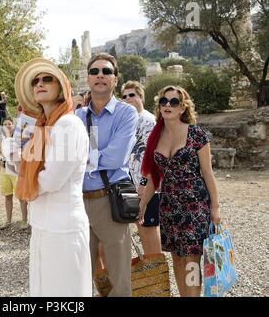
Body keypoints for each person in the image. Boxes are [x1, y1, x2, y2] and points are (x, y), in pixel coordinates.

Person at [15, 58, 91, 296]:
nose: (40, 83)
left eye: (47, 79)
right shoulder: (41, 128)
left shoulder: (69, 124)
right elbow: (18, 166)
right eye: (35, 81)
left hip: (63, 226)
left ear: (61, 88)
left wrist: (25, 172)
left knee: (65, 291)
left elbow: (52, 180)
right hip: (42, 223)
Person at [139, 85, 221, 297]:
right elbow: (153, 179)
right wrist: (142, 204)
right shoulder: (155, 136)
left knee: (191, 259)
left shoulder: (196, 135)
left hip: (195, 203)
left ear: (183, 107)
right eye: (163, 101)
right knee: (176, 257)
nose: (167, 105)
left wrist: (216, 208)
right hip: (169, 206)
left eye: (173, 102)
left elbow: (207, 173)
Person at [75, 53, 138, 297]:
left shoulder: (126, 113)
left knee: (120, 280)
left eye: (106, 71)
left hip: (109, 199)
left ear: (115, 79)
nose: (100, 75)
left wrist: (83, 157)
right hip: (78, 201)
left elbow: (116, 158)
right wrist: (92, 156)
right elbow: (65, 156)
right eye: (94, 71)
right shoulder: (76, 117)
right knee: (79, 275)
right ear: (88, 79)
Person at [122, 81, 162, 254]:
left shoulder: (148, 122)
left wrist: (144, 184)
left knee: (149, 227)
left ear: (141, 98)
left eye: (132, 95)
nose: (128, 99)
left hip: (146, 184)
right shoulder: (128, 122)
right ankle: (151, 270)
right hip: (132, 184)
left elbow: (151, 158)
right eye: (124, 96)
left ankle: (157, 271)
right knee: (141, 226)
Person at [0, 117, 28, 230]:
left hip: (16, 169)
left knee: (21, 196)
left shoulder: (18, 138)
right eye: (5, 124)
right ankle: (8, 220)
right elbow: (0, 152)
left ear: (13, 125)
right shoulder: (2, 139)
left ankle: (25, 220)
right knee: (7, 195)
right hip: (5, 169)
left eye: (9, 124)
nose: (7, 125)